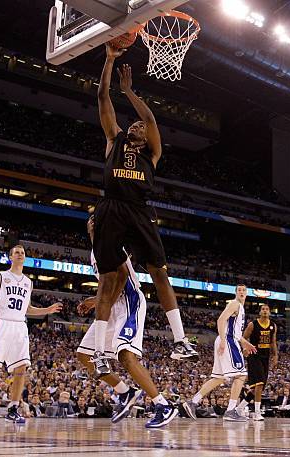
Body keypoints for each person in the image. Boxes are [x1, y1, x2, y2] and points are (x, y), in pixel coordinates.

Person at [91, 43, 197, 377]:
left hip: (139, 210)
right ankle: (98, 353)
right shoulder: (114, 140)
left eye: (140, 126)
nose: (137, 125)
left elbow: (150, 117)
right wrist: (109, 61)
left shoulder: (152, 155)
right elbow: (101, 100)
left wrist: (129, 91)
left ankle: (180, 340)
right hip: (111, 207)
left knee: (159, 271)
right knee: (109, 281)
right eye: (133, 124)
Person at [77, 215, 179, 428]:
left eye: (99, 218)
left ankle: (163, 405)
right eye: (92, 218)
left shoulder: (112, 244)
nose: (95, 221)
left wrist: (103, 303)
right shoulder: (94, 252)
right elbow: (108, 285)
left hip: (129, 304)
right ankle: (125, 391)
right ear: (87, 226)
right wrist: (94, 301)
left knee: (125, 355)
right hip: (111, 306)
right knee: (84, 355)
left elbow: (122, 276)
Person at [0, 245, 62, 424]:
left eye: (22, 253)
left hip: (20, 326)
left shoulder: (29, 282)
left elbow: (27, 309)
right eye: (17, 252)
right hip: (0, 324)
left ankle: (13, 408)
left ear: (25, 258)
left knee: (21, 369)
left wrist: (47, 310)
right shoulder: (0, 276)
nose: (20, 254)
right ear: (10, 257)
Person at [183, 285, 257, 422]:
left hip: (228, 340)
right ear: (236, 293)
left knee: (219, 378)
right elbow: (220, 320)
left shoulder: (240, 308)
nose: (241, 292)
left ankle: (192, 402)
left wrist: (246, 343)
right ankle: (230, 411)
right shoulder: (234, 304)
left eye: (243, 290)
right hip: (228, 341)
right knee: (241, 375)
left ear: (247, 293)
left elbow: (236, 332)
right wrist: (223, 340)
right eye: (239, 290)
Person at [237, 304, 278, 421]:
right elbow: (242, 338)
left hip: (265, 357)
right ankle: (257, 413)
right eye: (263, 309)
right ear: (259, 312)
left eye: (267, 309)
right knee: (259, 384)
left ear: (269, 312)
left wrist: (275, 355)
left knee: (257, 388)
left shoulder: (273, 326)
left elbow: (273, 342)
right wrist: (245, 348)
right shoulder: (252, 324)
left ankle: (240, 408)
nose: (265, 311)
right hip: (254, 356)